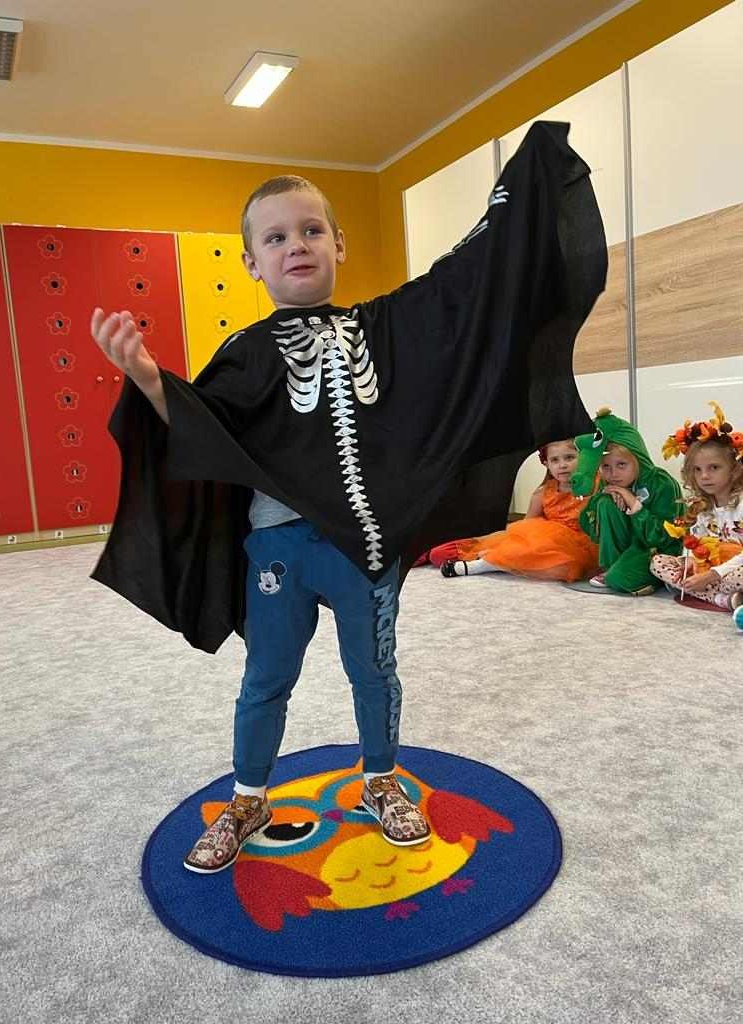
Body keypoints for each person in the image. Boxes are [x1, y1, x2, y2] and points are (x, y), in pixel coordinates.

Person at [89, 122, 606, 874]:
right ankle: (248, 797)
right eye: (274, 238)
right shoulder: (245, 353)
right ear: (251, 262)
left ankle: (380, 780)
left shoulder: (387, 327)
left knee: (374, 669)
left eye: (311, 230)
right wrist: (146, 378)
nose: (295, 245)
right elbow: (201, 429)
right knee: (267, 676)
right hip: (279, 547)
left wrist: (524, 190)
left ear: (339, 243)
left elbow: (464, 286)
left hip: (365, 545)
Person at [435, 439, 599, 582]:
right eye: (554, 460)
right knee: (532, 548)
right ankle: (490, 561)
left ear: (583, 458)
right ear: (547, 464)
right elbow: (526, 528)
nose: (562, 465)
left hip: (584, 544)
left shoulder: (597, 484)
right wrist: (504, 546)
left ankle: (494, 563)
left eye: (569, 458)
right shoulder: (543, 493)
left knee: (566, 567)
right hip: (547, 542)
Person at [571, 409, 682, 594]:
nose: (613, 473)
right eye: (605, 466)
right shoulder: (608, 484)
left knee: (619, 579)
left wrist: (634, 504)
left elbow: (666, 537)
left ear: (638, 459)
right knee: (605, 503)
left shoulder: (661, 483)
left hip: (658, 550)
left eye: (621, 465)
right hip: (630, 550)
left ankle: (655, 577)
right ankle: (612, 567)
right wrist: (601, 498)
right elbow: (589, 528)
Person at [650, 403, 743, 610]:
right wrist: (690, 560)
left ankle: (710, 591)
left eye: (714, 468)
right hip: (710, 566)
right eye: (697, 470)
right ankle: (725, 599)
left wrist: (713, 575)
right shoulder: (701, 506)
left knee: (737, 576)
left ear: (735, 469)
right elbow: (695, 540)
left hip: (733, 570)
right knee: (658, 563)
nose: (705, 476)